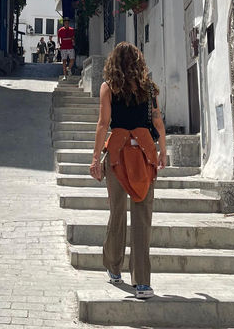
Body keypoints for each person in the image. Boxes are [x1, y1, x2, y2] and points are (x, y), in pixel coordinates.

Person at [89, 42, 167, 299]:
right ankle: (142, 283)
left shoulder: (108, 88)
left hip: (117, 156)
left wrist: (95, 157)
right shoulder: (150, 89)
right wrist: (163, 152)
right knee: (143, 216)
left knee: (117, 212)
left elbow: (103, 124)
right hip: (144, 155)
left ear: (113, 63)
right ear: (138, 62)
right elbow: (157, 121)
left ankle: (114, 268)